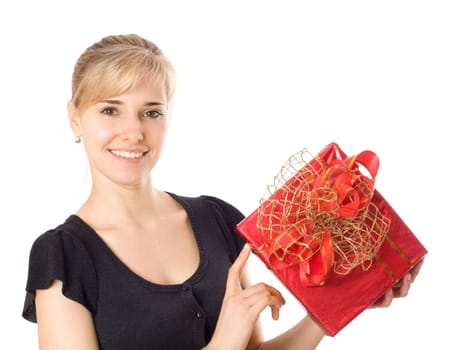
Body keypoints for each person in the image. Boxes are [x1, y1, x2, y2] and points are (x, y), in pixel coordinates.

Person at [22, 33, 423, 350]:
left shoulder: (216, 220)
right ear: (74, 118)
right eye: (110, 109)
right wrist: (223, 344)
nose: (134, 131)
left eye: (152, 111)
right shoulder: (62, 257)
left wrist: (328, 312)